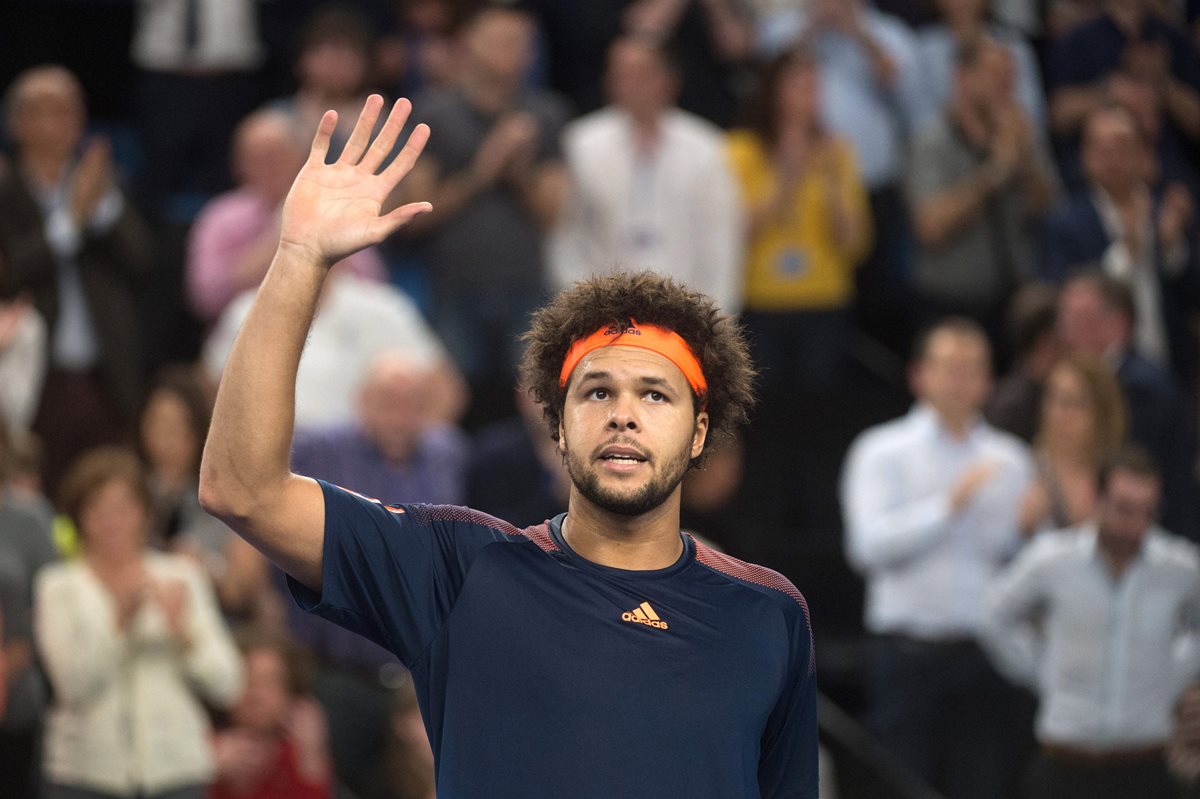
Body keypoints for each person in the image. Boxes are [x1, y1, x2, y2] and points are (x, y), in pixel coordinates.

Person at [198, 95, 818, 797]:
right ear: (556, 425)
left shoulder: (768, 613)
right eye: (595, 392)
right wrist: (299, 258)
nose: (623, 414)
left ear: (700, 430)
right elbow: (239, 488)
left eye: (655, 394)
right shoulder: (460, 570)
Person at [840, 316, 1034, 799]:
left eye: (973, 368)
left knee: (985, 785)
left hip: (987, 652)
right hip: (908, 654)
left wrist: (1029, 532)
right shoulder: (880, 451)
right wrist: (948, 507)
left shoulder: (1013, 460)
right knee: (899, 785)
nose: (961, 379)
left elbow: (1016, 561)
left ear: (990, 381)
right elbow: (868, 548)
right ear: (918, 374)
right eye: (949, 366)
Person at [984, 446, 1200, 799]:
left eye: (1148, 511)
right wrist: (1041, 670)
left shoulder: (1179, 567)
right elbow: (995, 616)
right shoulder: (1053, 560)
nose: (1136, 524)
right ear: (1096, 499)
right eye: (1124, 509)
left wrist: (1172, 675)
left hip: (1144, 762)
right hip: (1067, 758)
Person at [35, 447, 243, 798]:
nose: (112, 521)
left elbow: (228, 684)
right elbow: (72, 686)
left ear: (144, 513)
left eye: (124, 507)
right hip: (83, 776)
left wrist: (183, 634)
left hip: (178, 772)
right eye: (97, 508)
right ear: (78, 517)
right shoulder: (58, 586)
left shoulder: (182, 576)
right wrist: (120, 620)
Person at [0, 65, 154, 493]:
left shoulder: (102, 182)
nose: (55, 124)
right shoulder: (5, 192)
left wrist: (101, 207)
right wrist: (69, 223)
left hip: (104, 379)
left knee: (106, 494)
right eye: (41, 111)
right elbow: (8, 275)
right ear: (16, 123)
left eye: (66, 112)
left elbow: (142, 260)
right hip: (32, 378)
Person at [550, 34, 742, 314]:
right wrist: (579, 307)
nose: (629, 83)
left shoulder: (705, 147)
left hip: (687, 310)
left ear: (669, 80)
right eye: (620, 73)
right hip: (601, 311)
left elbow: (721, 237)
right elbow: (567, 234)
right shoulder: (581, 143)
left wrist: (717, 316)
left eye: (640, 73)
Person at [907, 37, 1058, 341]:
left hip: (1018, 303)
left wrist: (1025, 162)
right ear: (962, 78)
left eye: (1011, 77)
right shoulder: (931, 144)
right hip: (954, 306)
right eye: (995, 75)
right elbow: (931, 228)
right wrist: (995, 173)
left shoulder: (1023, 136)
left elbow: (1051, 211)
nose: (1006, 87)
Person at [1039, 106, 1200, 387]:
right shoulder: (1066, 221)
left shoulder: (1170, 209)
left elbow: (1192, 295)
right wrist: (1127, 251)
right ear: (1085, 157)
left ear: (1144, 154)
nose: (1111, 158)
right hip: (1099, 372)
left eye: (1122, 146)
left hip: (1170, 363)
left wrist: (1173, 247)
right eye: (1100, 149)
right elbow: (1062, 299)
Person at [187, 108, 386, 325]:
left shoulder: (329, 209)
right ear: (238, 165)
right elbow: (205, 298)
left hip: (330, 324)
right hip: (243, 327)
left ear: (301, 159)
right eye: (255, 158)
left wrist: (324, 251)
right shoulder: (221, 216)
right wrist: (281, 236)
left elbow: (372, 283)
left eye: (276, 156)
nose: (267, 167)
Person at [1055, 272, 1198, 538]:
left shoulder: (1140, 387)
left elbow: (1141, 469)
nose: (1066, 331)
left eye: (1080, 318)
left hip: (1149, 535)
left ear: (1117, 322)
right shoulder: (1093, 377)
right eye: (1065, 318)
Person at [210, 628, 332, 799]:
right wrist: (204, 769)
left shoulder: (300, 754)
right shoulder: (202, 746)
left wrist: (310, 757)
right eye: (247, 681)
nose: (256, 695)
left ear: (291, 694)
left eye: (269, 683)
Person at [1019, 356, 1128, 535]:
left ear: (1102, 412)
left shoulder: (1118, 475)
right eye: (1053, 399)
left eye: (1074, 402)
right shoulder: (1024, 467)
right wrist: (1021, 528)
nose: (1059, 412)